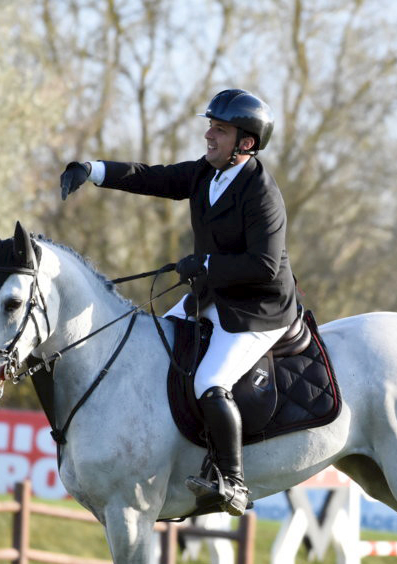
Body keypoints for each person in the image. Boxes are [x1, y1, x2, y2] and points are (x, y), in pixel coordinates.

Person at [59, 88, 297, 515]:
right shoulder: (207, 173)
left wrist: (205, 264)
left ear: (246, 143)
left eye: (219, 130)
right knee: (148, 350)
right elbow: (153, 176)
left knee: (209, 382)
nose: (209, 135)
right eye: (210, 126)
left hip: (257, 311)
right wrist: (92, 169)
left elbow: (263, 265)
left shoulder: (261, 193)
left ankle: (233, 481)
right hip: (212, 298)